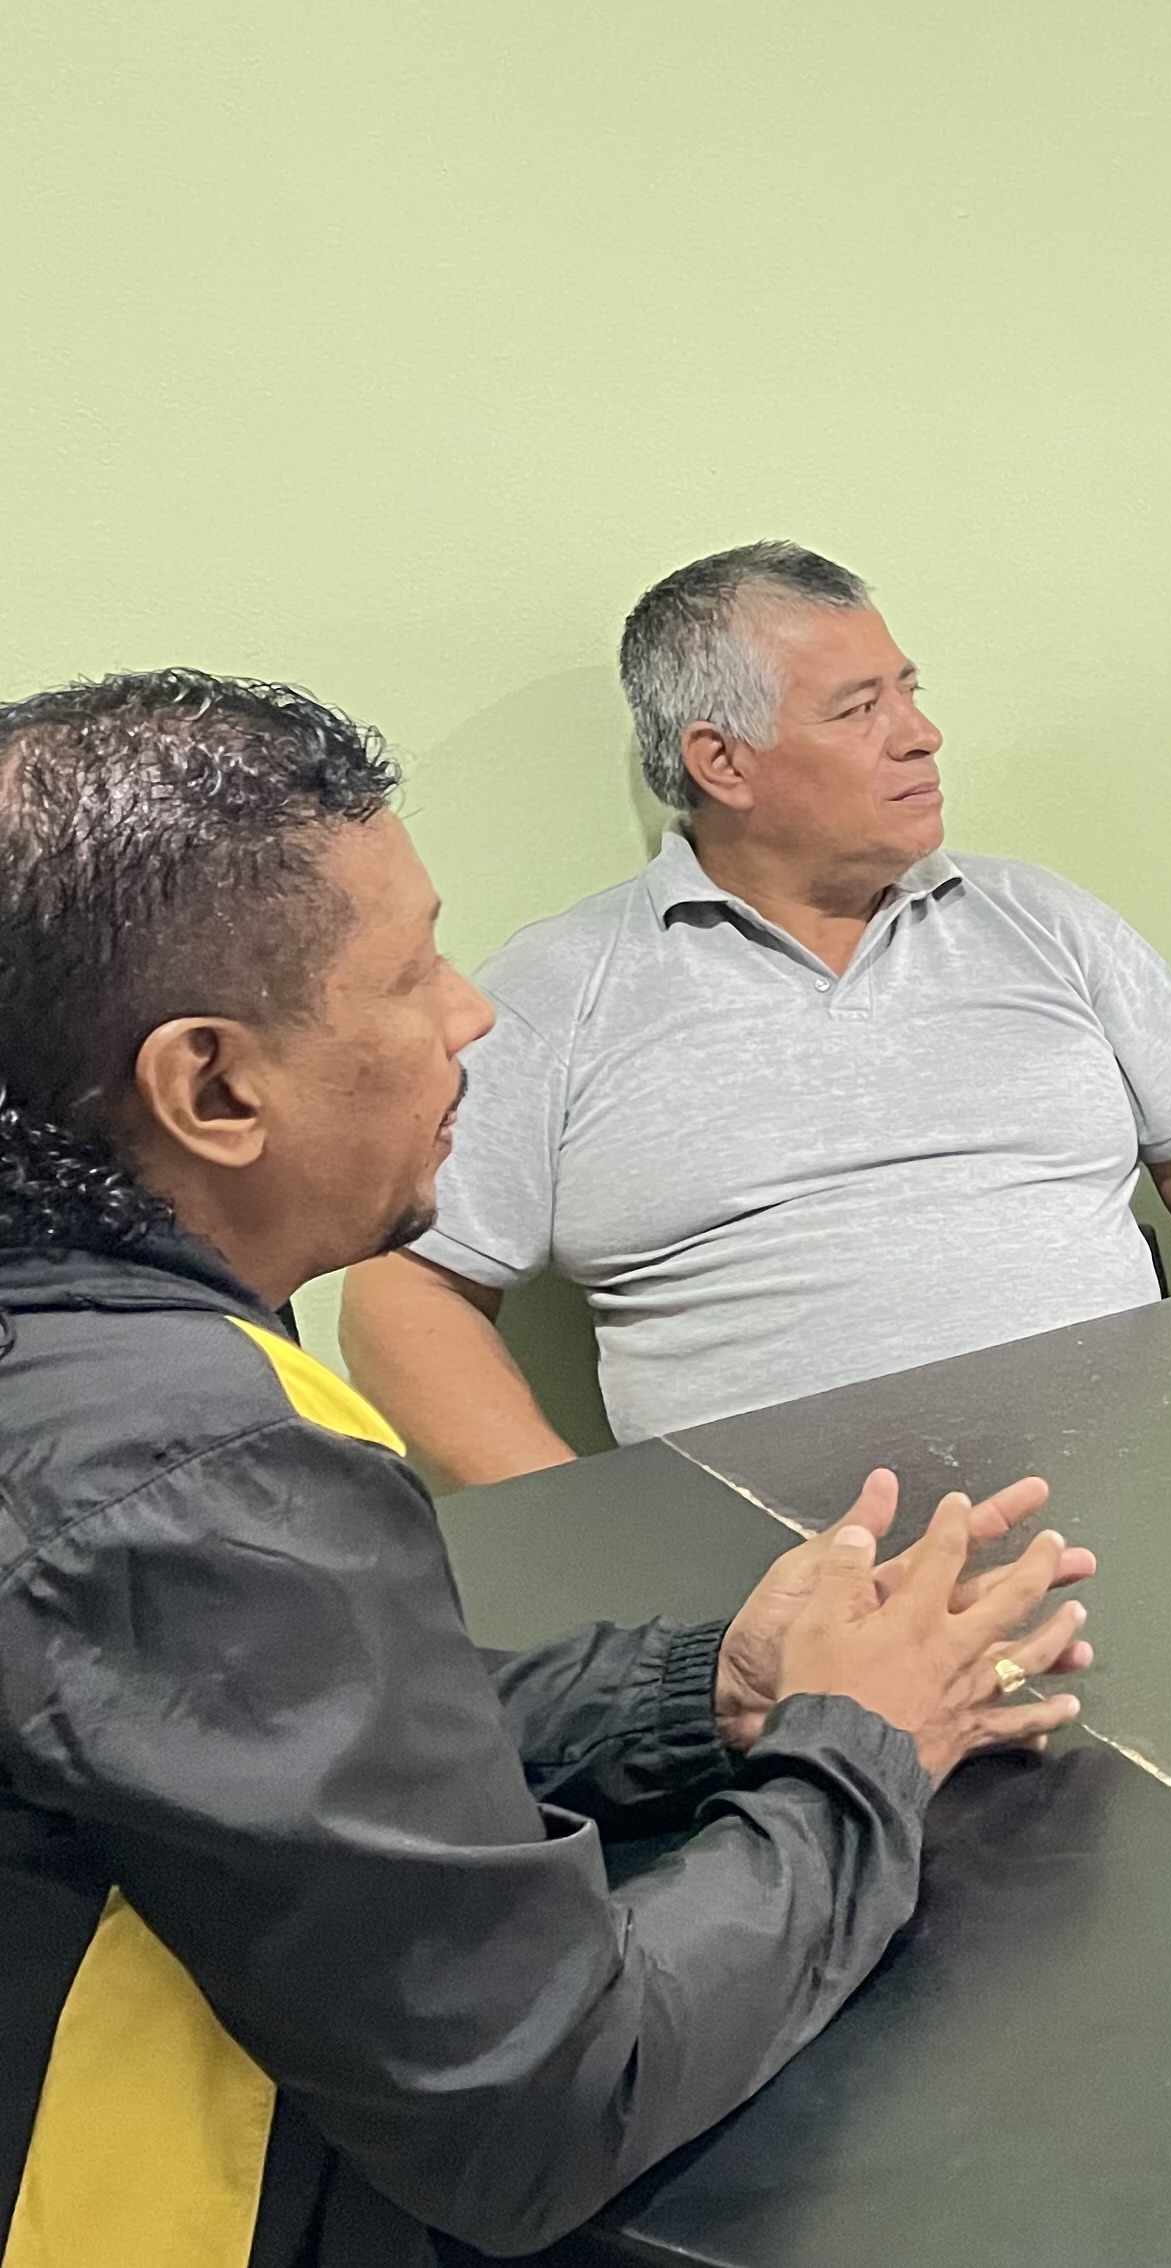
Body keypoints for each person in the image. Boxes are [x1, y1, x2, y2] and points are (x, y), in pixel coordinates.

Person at [0, 670, 1096, 2267]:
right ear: (215, 1086)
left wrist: (705, 1688)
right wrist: (864, 1749)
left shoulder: (87, 1359)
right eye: (409, 972)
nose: (470, 1015)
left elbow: (280, 1743)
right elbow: (546, 2100)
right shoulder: (186, 1468)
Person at [341, 543, 1171, 1478]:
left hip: (1130, 1496)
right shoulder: (561, 990)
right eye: (859, 709)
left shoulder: (1041, 921)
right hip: (783, 1565)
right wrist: (571, 1530)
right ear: (723, 763)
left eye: (909, 690)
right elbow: (403, 1292)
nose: (920, 734)